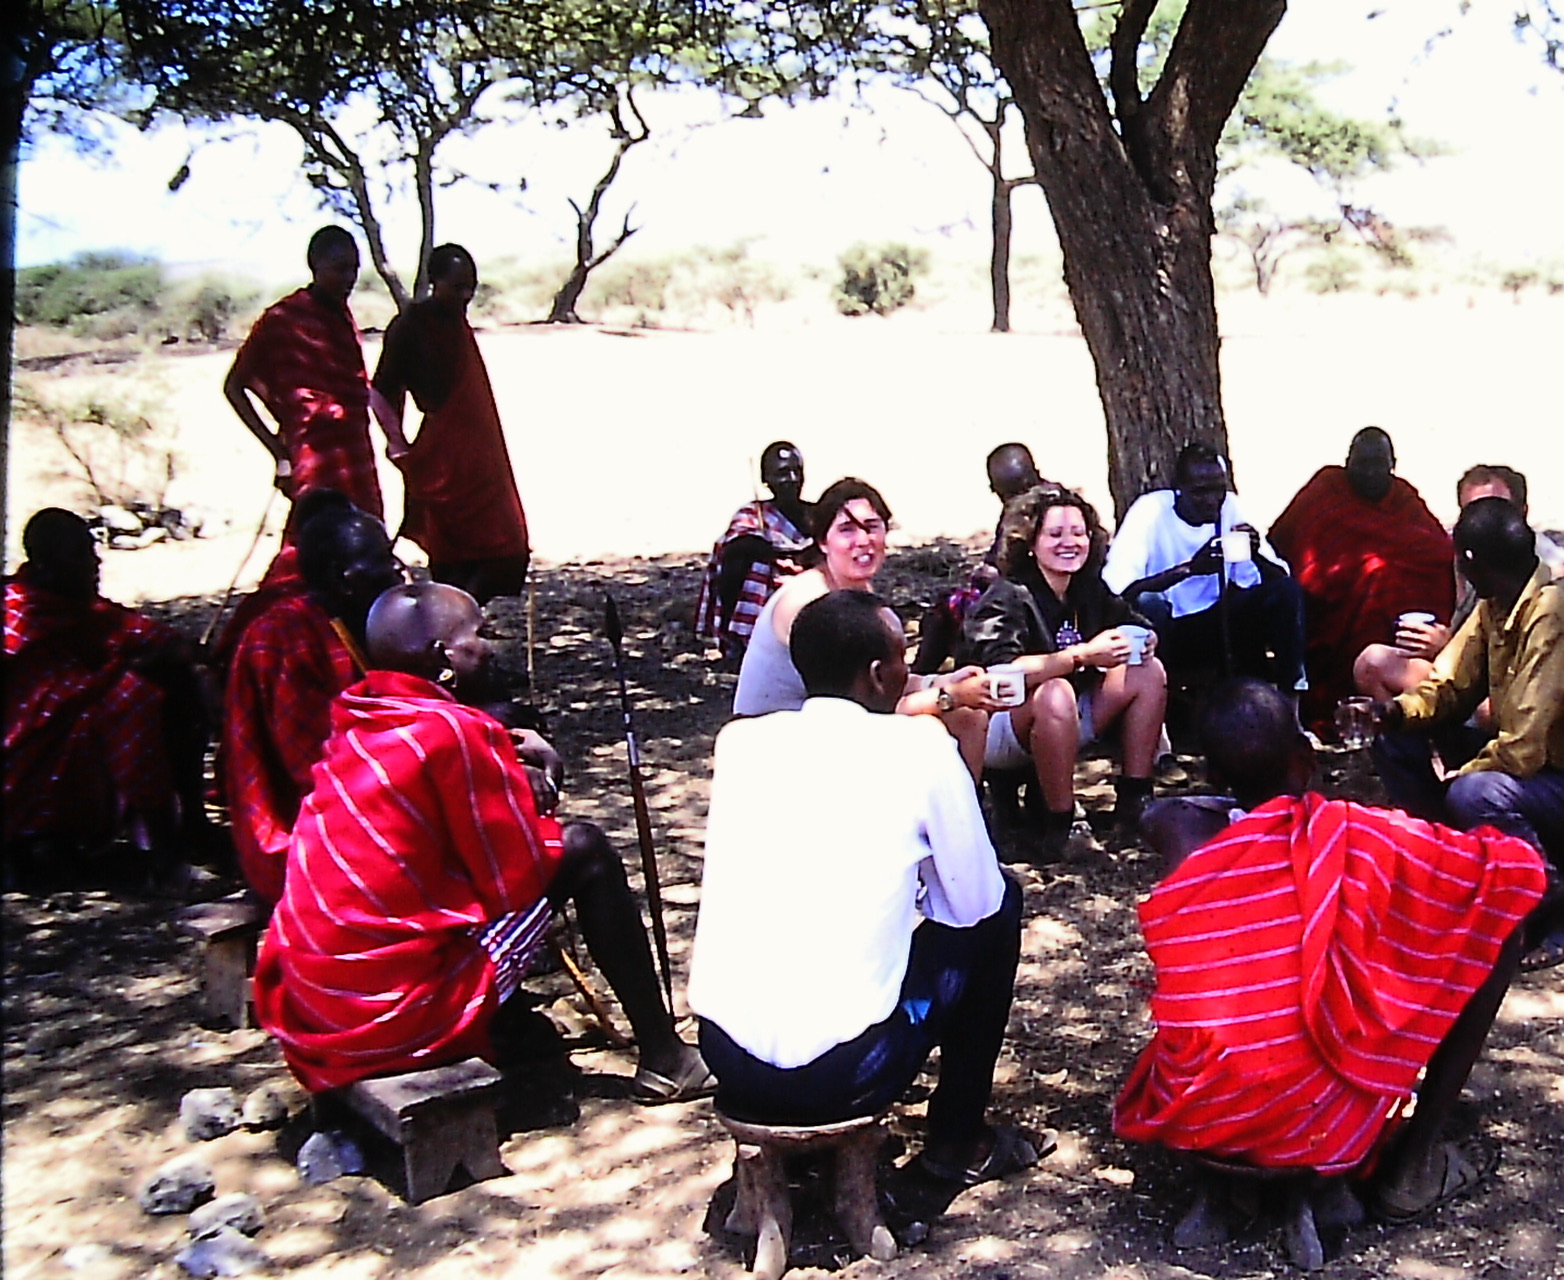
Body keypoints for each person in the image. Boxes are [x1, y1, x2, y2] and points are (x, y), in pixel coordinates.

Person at [256, 582, 710, 1100]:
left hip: (319, 1001)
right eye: (479, 633)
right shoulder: (449, 732)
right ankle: (665, 1058)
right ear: (443, 656)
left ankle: (511, 1026)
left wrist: (504, 765)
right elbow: (511, 880)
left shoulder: (359, 713)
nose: (490, 645)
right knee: (584, 851)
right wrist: (541, 784)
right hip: (386, 1018)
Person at [689, 589, 1049, 1233]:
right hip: (845, 1071)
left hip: (727, 1054)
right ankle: (957, 1139)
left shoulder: (740, 745)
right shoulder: (918, 748)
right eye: (902, 662)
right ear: (880, 674)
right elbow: (973, 901)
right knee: (1001, 908)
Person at [1118, 679, 1546, 1220]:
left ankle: (1238, 1167)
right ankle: (1413, 1166)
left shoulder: (1179, 832)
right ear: (1304, 760)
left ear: (1214, 777)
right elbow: (1510, 874)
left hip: (1200, 1110)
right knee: (1498, 923)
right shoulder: (1356, 834)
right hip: (1320, 1124)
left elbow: (1159, 812)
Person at [1373, 497, 1564, 965]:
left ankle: (1553, 903)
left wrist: (1459, 777)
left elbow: (1522, 747)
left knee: (1475, 795)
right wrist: (1393, 714)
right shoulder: (1497, 602)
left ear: (1472, 563)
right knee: (1395, 741)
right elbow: (1450, 686)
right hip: (1543, 771)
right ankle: (1457, 870)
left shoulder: (1557, 614)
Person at [956, 483, 1167, 853]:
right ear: (1031, 542)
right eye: (1055, 534)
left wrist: (1146, 639)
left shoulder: (1086, 587)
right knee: (1055, 691)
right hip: (999, 726)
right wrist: (1081, 656)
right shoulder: (1009, 594)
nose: (1069, 543)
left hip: (1066, 716)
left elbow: (1130, 621)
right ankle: (1062, 824)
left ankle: (1136, 799)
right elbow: (1000, 672)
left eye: (1078, 533)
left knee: (1148, 672)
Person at [731, 478, 996, 772]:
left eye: (872, 527)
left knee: (970, 717)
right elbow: (861, 708)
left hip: (835, 721)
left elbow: (884, 682)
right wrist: (950, 697)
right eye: (847, 530)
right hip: (779, 739)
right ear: (822, 541)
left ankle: (966, 814)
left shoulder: (860, 592)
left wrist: (944, 682)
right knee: (931, 727)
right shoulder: (809, 603)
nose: (863, 540)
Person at [218, 495, 403, 902]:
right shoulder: (286, 639)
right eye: (385, 562)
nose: (398, 574)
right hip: (302, 837)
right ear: (344, 579)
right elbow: (315, 769)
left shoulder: (350, 624)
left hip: (357, 807)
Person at [5, 508, 213, 867]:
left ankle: (190, 821)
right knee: (131, 699)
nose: (95, 563)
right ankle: (161, 846)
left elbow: (144, 634)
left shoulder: (85, 611)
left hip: (73, 745)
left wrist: (185, 655)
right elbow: (52, 701)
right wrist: (123, 670)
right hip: (25, 771)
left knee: (176, 680)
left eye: (92, 550)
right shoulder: (16, 620)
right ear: (45, 565)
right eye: (80, 555)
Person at [370, 244, 532, 604]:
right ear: (434, 282)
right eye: (456, 286)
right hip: (441, 456)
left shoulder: (457, 323)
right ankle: (453, 625)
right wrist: (396, 443)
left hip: (480, 454)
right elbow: (380, 391)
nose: (465, 295)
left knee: (507, 547)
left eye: (470, 287)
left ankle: (463, 615)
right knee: (453, 555)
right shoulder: (410, 326)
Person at [1268, 427, 1456, 735]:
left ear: (1392, 464)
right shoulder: (1326, 489)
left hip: (1404, 620)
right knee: (1375, 575)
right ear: (1347, 462)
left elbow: (1436, 547)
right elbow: (1285, 542)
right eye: (1361, 463)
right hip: (1337, 613)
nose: (1369, 473)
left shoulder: (1402, 495)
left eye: (1378, 464)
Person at [1103, 442, 1305, 695]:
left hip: (1217, 622)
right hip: (1168, 630)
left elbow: (1275, 581)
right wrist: (1189, 570)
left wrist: (1256, 556)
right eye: (1200, 492)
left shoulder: (1230, 506)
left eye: (1218, 490)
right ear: (1179, 489)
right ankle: (1162, 704)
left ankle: (1291, 698)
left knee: (1285, 590)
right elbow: (1119, 592)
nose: (1212, 501)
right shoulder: (1151, 511)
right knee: (1150, 602)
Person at [222, 226, 385, 519]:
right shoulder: (283, 320)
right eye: (339, 268)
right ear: (315, 266)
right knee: (311, 548)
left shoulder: (343, 318)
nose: (349, 278)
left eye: (354, 269)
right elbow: (235, 386)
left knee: (365, 547)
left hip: (356, 456)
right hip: (314, 459)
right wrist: (278, 451)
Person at [1351, 462, 1527, 709]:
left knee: (1488, 708)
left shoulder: (1548, 569)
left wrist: (1449, 648)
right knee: (1371, 663)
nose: (1483, 523)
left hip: (1515, 690)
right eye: (1472, 513)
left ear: (1522, 513)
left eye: (1495, 511)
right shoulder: (1467, 557)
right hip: (1466, 675)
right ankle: (1414, 743)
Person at [915, 441, 1048, 676]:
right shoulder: (1024, 504)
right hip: (1016, 590)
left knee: (945, 616)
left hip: (1032, 596)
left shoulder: (1045, 509)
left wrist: (993, 574)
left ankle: (921, 677)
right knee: (945, 609)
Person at [696, 440, 814, 664]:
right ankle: (740, 638)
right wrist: (785, 550)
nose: (791, 480)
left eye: (796, 471)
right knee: (753, 564)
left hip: (809, 601)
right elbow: (738, 545)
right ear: (766, 480)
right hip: (767, 602)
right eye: (782, 473)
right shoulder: (753, 514)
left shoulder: (814, 514)